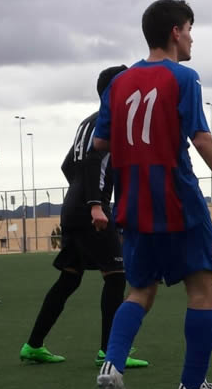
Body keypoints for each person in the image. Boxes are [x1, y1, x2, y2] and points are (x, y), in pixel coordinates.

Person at [93, 0, 212, 389]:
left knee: (140, 290)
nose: (192, 37)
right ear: (175, 32)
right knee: (202, 287)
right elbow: (201, 139)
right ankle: (193, 387)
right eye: (189, 29)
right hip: (177, 196)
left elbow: (100, 144)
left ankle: (112, 365)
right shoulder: (183, 77)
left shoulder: (119, 83)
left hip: (132, 200)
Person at [19, 65, 148, 369]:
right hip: (92, 208)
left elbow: (68, 165)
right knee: (116, 276)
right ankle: (109, 349)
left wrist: (79, 196)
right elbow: (93, 162)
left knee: (69, 278)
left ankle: (33, 345)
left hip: (72, 206)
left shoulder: (86, 122)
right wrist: (95, 203)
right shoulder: (111, 121)